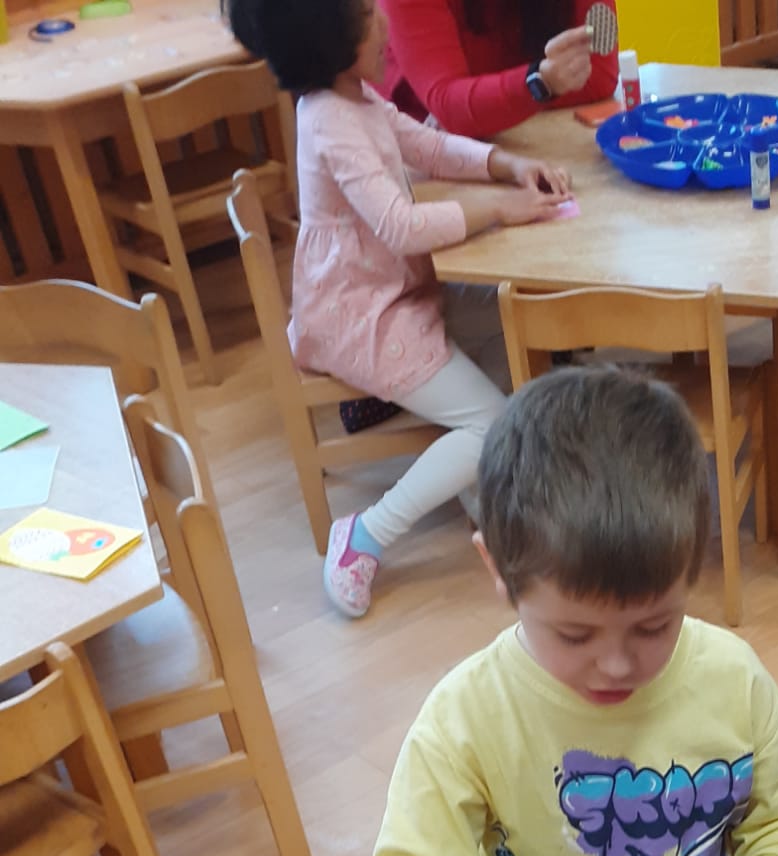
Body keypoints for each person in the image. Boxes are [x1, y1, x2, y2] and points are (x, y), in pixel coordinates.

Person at [370, 366, 778, 856]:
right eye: (574, 634)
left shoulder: (735, 680)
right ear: (496, 568)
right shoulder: (465, 717)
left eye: (654, 626)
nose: (615, 665)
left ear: (692, 567)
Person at [227, 0, 571, 618]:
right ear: (328, 42)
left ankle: (486, 495)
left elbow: (428, 147)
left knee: (506, 319)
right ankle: (366, 534)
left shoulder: (356, 98)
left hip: (393, 294)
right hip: (361, 317)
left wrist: (509, 165)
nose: (385, 20)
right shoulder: (329, 118)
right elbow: (401, 225)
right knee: (489, 424)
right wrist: (499, 207)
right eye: (366, 13)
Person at [383, 0, 617, 138]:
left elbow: (598, 75)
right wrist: (540, 84)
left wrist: (484, 107)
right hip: (417, 155)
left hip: (529, 140)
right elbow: (449, 103)